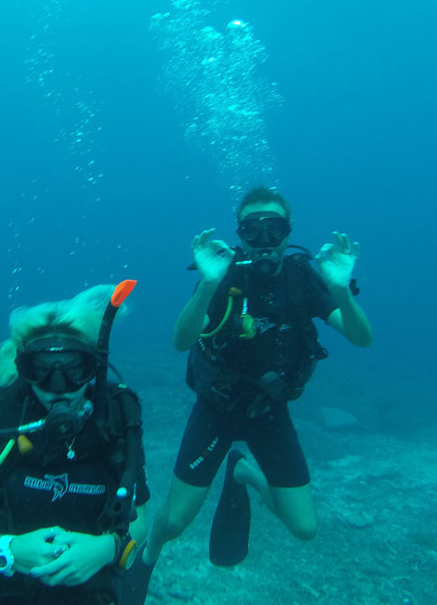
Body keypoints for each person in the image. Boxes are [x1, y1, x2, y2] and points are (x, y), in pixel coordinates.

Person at [142, 186, 373, 571]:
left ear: (288, 231)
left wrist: (340, 293)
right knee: (176, 521)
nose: (264, 239)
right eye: (253, 229)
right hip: (217, 408)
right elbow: (182, 341)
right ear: (240, 235)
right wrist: (208, 285)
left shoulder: (303, 278)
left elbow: (361, 338)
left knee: (304, 528)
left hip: (269, 410)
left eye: (274, 228)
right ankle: (149, 553)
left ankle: (244, 472)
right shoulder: (222, 275)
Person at [0, 284, 150, 605]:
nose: (58, 388)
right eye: (40, 371)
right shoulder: (6, 411)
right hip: (8, 578)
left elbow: (139, 517)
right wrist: (7, 548)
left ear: (93, 370)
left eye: (75, 369)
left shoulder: (117, 413)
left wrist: (106, 549)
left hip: (87, 578)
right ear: (24, 371)